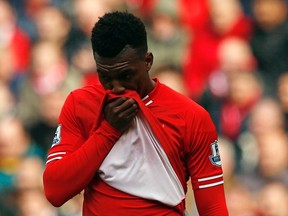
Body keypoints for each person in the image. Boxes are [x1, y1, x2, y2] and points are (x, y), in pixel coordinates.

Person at [43, 11, 228, 215]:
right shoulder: (80, 104)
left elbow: (213, 208)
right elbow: (55, 191)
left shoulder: (191, 117)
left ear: (148, 61)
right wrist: (108, 131)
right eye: (105, 76)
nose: (117, 88)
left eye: (126, 75)